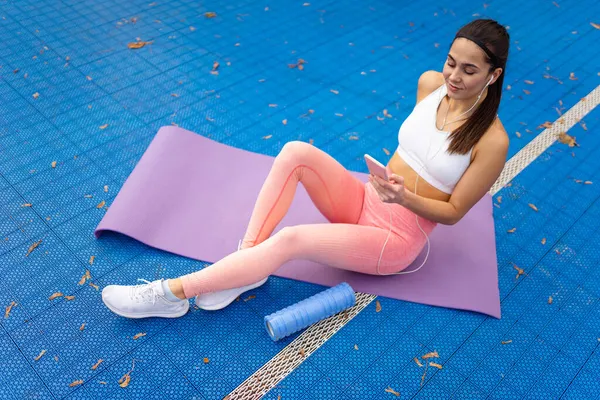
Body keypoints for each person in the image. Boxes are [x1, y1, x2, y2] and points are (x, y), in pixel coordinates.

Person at [101, 18, 510, 319]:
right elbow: (421, 145)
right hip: (368, 197)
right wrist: (389, 188)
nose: (453, 76)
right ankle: (245, 268)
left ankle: (171, 294)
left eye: (469, 70)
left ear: (493, 76)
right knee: (295, 151)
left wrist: (406, 198)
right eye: (451, 62)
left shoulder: (492, 141)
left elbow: (455, 213)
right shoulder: (429, 84)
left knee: (291, 239)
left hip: (394, 238)